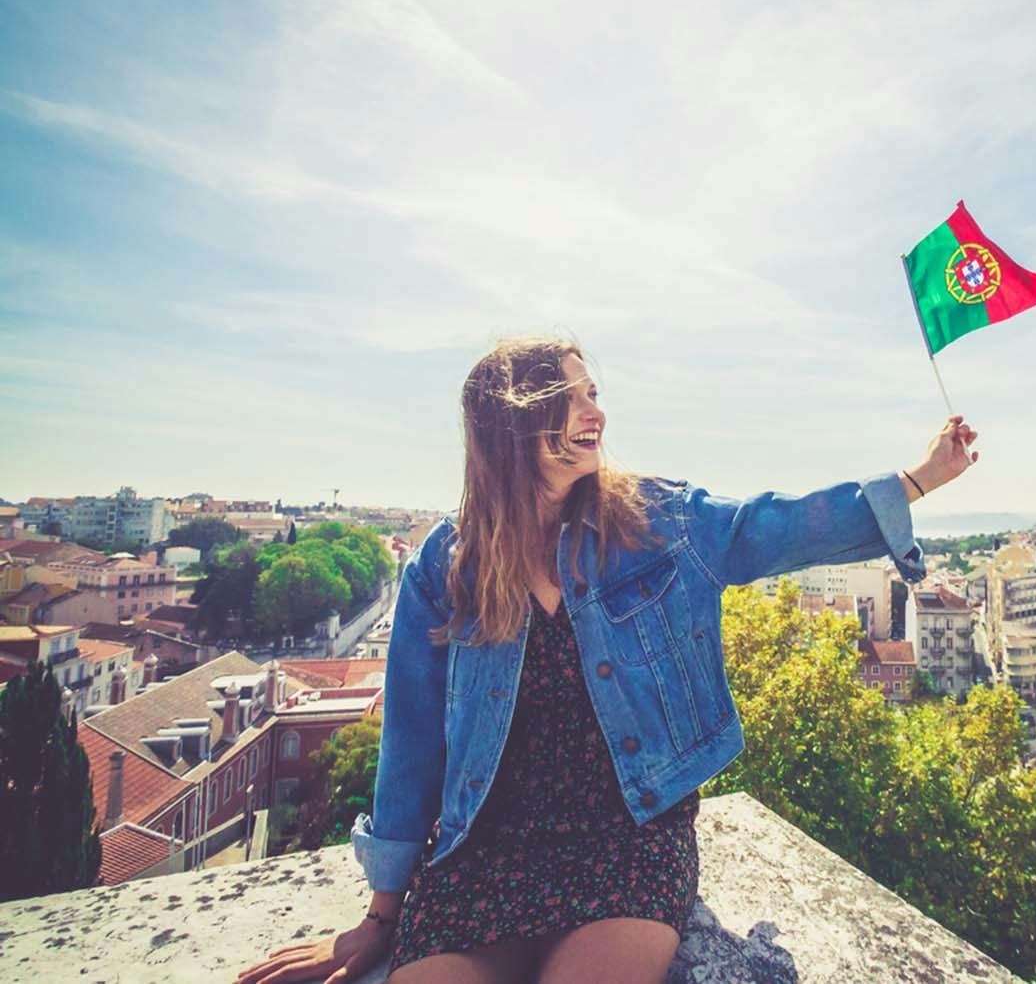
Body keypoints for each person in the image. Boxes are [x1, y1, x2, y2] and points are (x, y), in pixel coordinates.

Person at [234, 335, 977, 984]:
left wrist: (919, 478)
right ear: (517, 419)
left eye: (597, 394)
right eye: (575, 397)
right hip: (487, 851)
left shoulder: (658, 521)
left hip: (629, 836)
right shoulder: (447, 563)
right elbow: (412, 740)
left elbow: (771, 527)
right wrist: (382, 912)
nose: (598, 413)